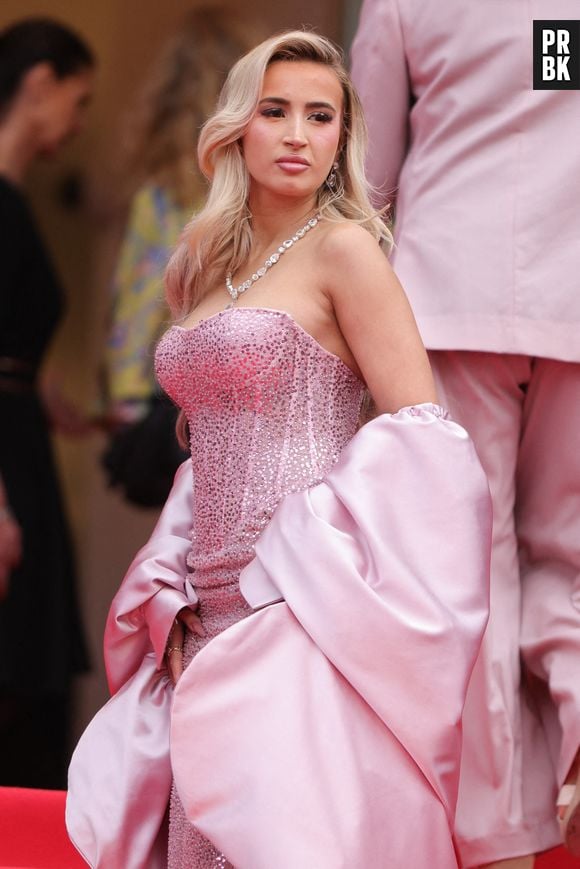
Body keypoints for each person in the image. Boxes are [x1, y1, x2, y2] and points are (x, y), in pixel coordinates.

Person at [67, 31, 491, 867]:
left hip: (303, 607)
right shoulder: (200, 262)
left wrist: (313, 574)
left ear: (341, 141)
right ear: (236, 129)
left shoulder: (347, 251)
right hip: (204, 612)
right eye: (276, 111)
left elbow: (424, 442)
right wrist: (175, 593)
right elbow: (204, 451)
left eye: (320, 116)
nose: (298, 133)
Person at [350, 2, 580, 866]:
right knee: (571, 549)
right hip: (571, 298)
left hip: (444, 298)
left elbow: (366, 173)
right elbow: (552, 86)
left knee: (468, 570)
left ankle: (495, 834)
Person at [0, 17, 95, 788]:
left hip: (22, 441)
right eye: (78, 97)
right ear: (38, 84)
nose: (78, 119)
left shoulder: (16, 202)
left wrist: (42, 393)